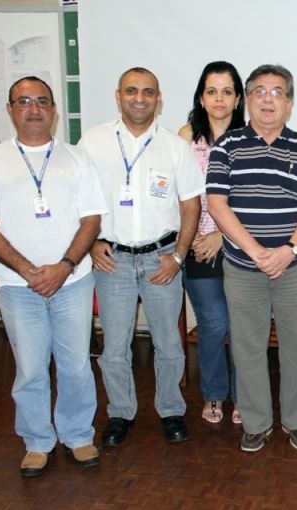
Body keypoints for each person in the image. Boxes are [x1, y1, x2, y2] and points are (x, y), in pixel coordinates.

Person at [0, 76, 106, 476]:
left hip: (72, 280)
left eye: (42, 101)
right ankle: (37, 441)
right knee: (30, 366)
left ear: (54, 110)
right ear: (10, 109)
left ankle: (78, 435)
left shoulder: (77, 159)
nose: (34, 108)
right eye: (24, 101)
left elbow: (91, 219)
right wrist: (28, 270)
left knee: (76, 363)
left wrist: (62, 267)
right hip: (16, 285)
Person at [79, 67, 204, 446]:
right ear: (118, 95)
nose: (139, 98)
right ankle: (120, 412)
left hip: (161, 259)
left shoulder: (174, 146)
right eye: (131, 91)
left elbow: (191, 206)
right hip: (112, 259)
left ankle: (171, 410)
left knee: (168, 343)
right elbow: (79, 200)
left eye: (148, 92)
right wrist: (90, 243)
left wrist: (179, 256)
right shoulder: (93, 142)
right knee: (114, 346)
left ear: (158, 99)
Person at [207, 64, 297, 453]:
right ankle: (255, 423)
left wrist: (287, 250)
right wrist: (256, 252)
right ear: (248, 99)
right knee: (247, 347)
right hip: (243, 267)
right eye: (260, 91)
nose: (268, 99)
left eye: (277, 92)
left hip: (294, 264)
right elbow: (218, 205)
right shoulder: (226, 146)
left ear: (289, 103)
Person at [178, 61, 245, 425]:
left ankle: (244, 396)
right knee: (215, 322)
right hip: (198, 247)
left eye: (227, 91)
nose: (219, 98)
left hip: (239, 246)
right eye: (211, 91)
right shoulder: (185, 137)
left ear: (237, 99)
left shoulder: (250, 137)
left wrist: (223, 235)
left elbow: (255, 198)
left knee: (240, 325)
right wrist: (189, 239)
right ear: (201, 98)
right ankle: (215, 394)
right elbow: (175, 195)